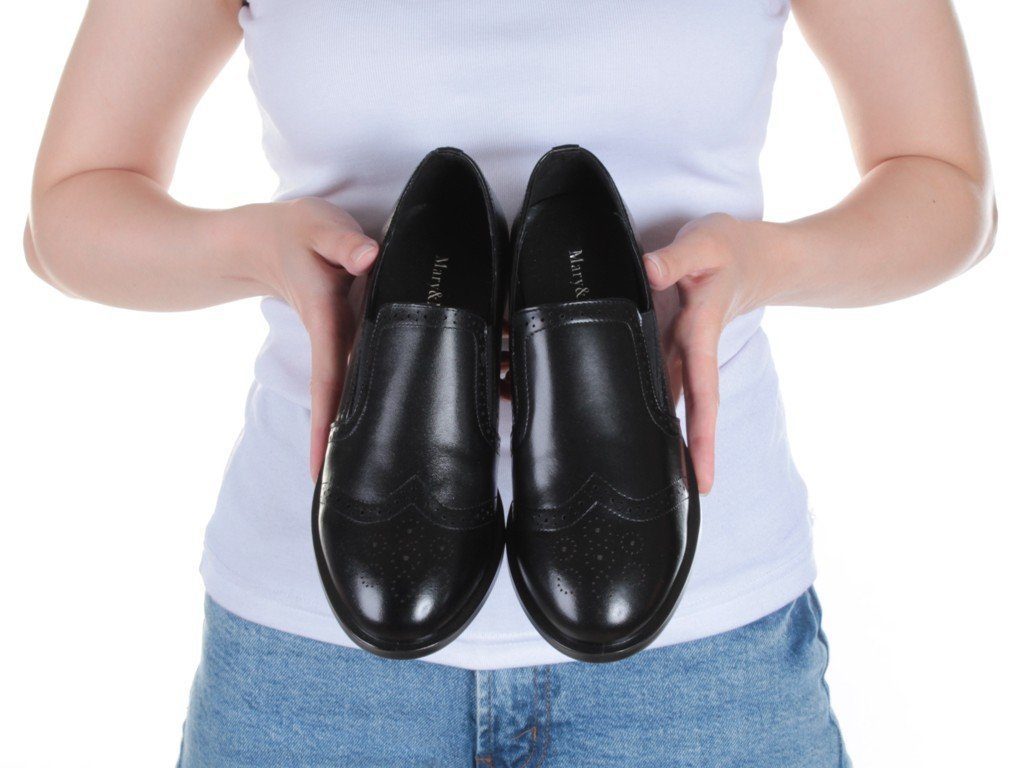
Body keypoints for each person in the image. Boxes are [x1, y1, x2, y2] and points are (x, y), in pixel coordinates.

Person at [25, 0, 994, 765]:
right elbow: (65, 216)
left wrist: (759, 264)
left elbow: (951, 189)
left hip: (701, 651)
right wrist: (260, 249)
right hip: (312, 658)